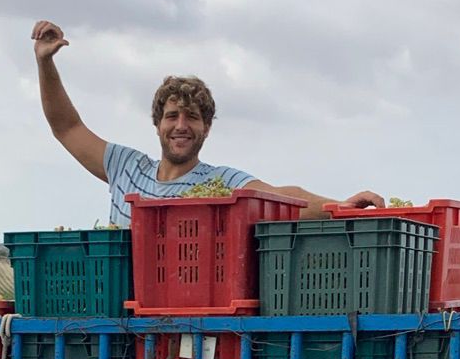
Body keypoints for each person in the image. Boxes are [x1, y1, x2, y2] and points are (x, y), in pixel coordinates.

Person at [31, 19, 386, 227]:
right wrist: (46, 63)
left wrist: (340, 206)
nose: (181, 125)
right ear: (157, 125)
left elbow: (282, 197)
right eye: (172, 116)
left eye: (193, 117)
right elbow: (67, 127)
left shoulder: (219, 183)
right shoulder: (126, 167)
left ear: (207, 127)